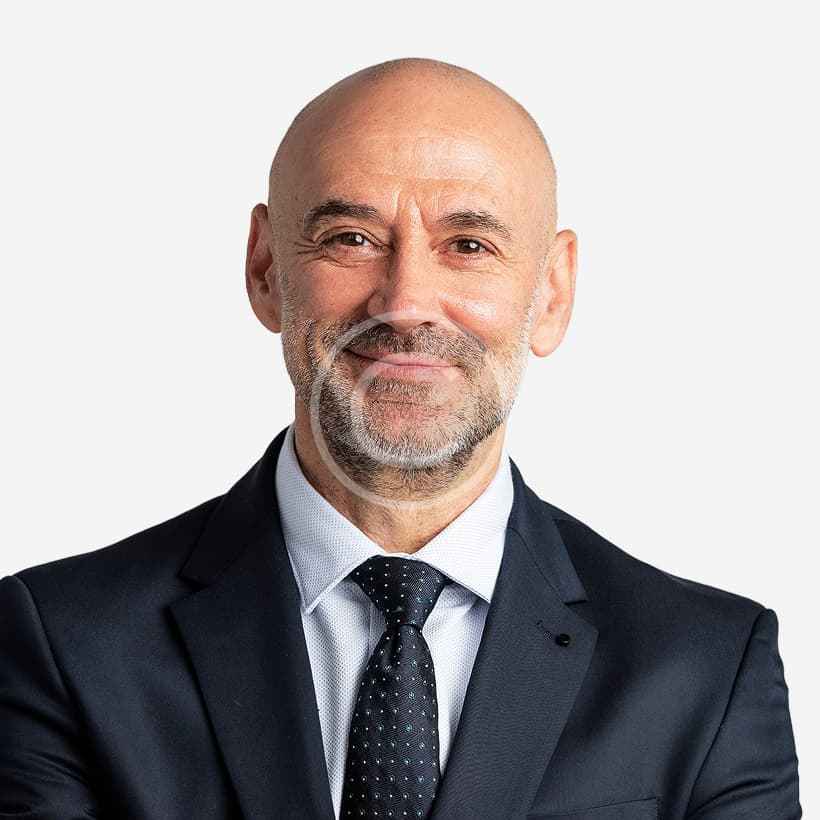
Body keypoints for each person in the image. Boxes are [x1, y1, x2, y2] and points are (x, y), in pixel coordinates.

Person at [0, 58, 801, 820]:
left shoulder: (706, 669)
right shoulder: (63, 646)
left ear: (552, 292)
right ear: (266, 269)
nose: (407, 300)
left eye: (469, 245)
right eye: (351, 238)